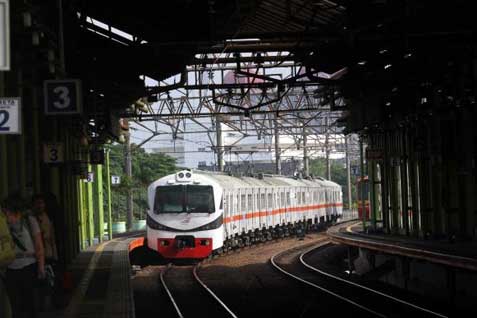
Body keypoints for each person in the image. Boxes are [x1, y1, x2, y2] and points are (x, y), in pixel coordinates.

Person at [2, 194, 45, 318]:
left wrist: (41, 267)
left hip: (29, 267)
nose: (6, 216)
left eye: (7, 212)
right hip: (10, 269)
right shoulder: (3, 225)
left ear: (15, 211)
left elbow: (38, 246)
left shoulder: (29, 221)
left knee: (30, 305)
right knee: (15, 307)